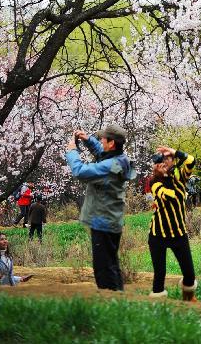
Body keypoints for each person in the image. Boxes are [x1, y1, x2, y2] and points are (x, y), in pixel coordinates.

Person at [65, 123, 136, 291]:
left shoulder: (109, 166)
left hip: (102, 222)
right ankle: (120, 301)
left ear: (111, 143)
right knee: (112, 265)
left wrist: (71, 151)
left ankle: (111, 304)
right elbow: (102, 154)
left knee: (103, 270)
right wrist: (89, 140)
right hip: (112, 221)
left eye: (103, 138)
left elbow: (80, 171)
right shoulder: (121, 160)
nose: (101, 140)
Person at [147, 146, 197, 302]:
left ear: (174, 160)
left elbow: (191, 160)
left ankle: (188, 299)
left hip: (178, 233)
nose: (164, 161)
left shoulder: (181, 176)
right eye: (161, 159)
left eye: (168, 158)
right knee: (159, 274)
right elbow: (170, 196)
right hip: (158, 235)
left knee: (189, 274)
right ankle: (158, 306)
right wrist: (164, 175)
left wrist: (174, 151)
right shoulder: (154, 182)